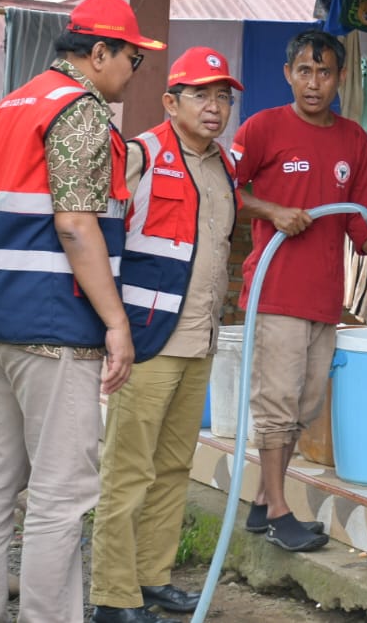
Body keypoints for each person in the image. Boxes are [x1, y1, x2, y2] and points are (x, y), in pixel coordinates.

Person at [0, 0, 166, 623]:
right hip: (51, 326)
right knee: (60, 493)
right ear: (99, 53)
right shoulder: (80, 110)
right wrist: (117, 322)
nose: (135, 70)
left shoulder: (14, 103)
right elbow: (75, 224)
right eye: (132, 57)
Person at [230, 29, 367, 553]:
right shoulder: (263, 128)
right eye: (304, 71)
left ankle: (263, 502)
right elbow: (225, 186)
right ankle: (280, 512)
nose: (313, 82)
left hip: (325, 297)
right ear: (288, 74)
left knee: (304, 404)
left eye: (324, 72)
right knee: (277, 405)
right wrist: (273, 211)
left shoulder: (354, 139)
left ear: (340, 78)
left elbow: (358, 217)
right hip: (276, 291)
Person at [88, 47, 244, 623]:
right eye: (201, 95)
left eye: (223, 97)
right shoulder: (141, 154)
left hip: (198, 339)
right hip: (146, 341)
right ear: (171, 102)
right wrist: (112, 328)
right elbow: (95, 235)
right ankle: (113, 597)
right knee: (128, 469)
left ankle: (151, 580)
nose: (214, 106)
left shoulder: (225, 166)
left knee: (175, 465)